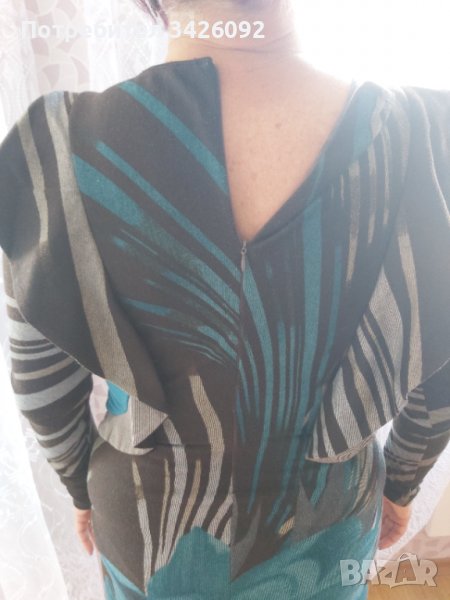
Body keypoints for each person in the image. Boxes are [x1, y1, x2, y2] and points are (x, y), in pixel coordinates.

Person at [0, 0, 449, 597]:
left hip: (144, 518)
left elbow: (42, 382)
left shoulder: (52, 150)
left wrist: (82, 489)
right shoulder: (432, 140)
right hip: (326, 517)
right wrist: (401, 483)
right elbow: (440, 374)